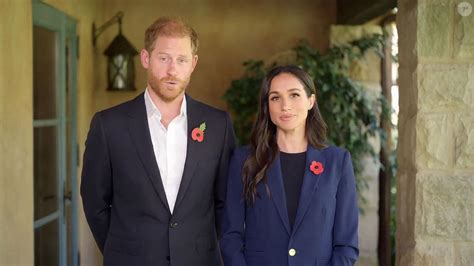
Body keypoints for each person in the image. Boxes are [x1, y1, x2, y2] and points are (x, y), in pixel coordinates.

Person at [81, 17, 236, 266]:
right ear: (146, 58)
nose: (172, 70)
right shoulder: (108, 125)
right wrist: (123, 249)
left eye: (181, 60)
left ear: (193, 64)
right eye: (164, 58)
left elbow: (225, 202)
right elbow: (94, 201)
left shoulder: (219, 125)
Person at [220, 65, 359, 266]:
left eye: (294, 95)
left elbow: (346, 244)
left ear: (311, 101)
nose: (285, 106)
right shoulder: (244, 160)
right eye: (275, 98)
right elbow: (230, 236)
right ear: (267, 107)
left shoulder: (337, 162)